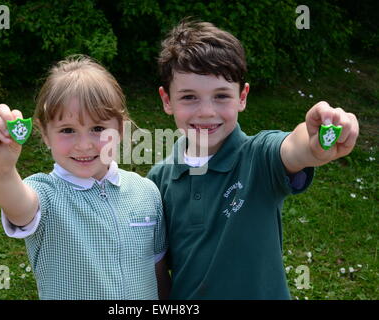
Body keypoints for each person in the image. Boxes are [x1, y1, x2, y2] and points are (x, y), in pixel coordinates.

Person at [147, 20, 359, 299]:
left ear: (242, 97)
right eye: (189, 97)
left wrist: (313, 144)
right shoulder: (157, 181)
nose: (207, 112)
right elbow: (157, 268)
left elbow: (292, 148)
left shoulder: (259, 157)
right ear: (167, 101)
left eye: (222, 96)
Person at [0, 55, 169, 300]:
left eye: (98, 129)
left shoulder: (146, 192)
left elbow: (159, 272)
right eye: (67, 130)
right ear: (45, 133)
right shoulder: (44, 194)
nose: (84, 145)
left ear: (120, 129)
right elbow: (16, 202)